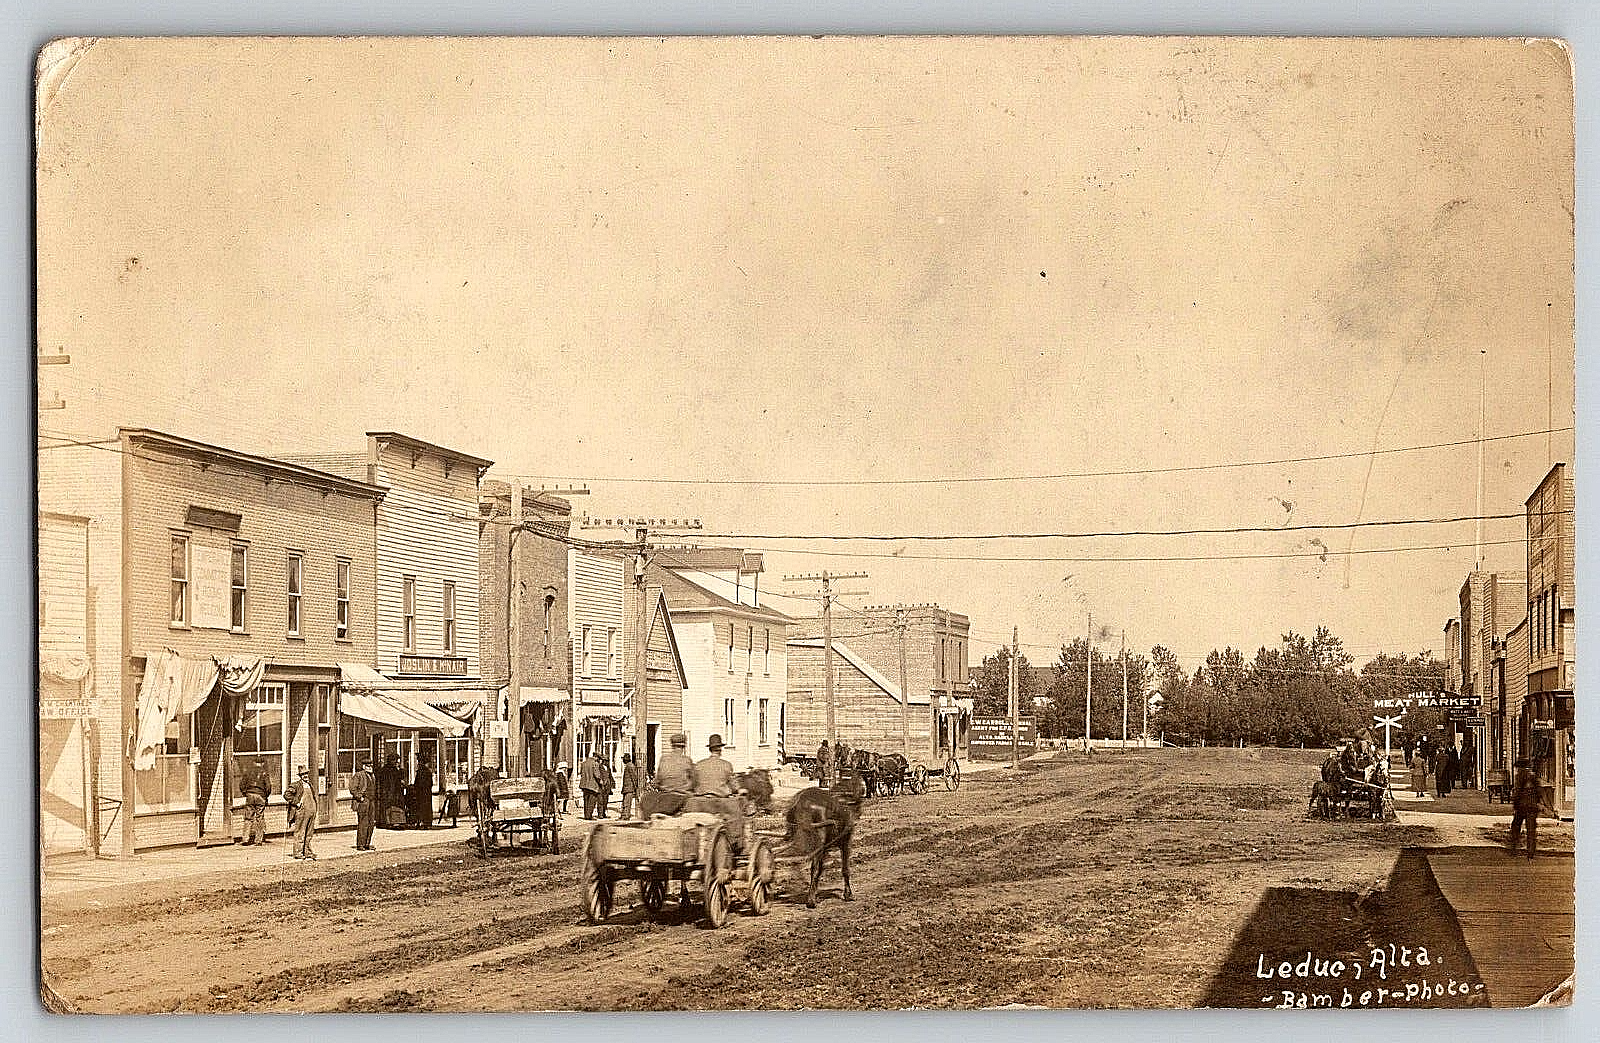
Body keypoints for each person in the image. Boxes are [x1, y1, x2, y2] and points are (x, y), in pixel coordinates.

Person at [687, 733, 745, 849]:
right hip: (719, 803)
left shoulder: (699, 765)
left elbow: (692, 784)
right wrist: (740, 790)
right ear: (720, 750)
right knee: (737, 813)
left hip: (701, 802)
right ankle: (735, 842)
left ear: (710, 749)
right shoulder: (726, 765)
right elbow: (734, 785)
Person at [1507, 758, 1543, 860]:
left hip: (1521, 806)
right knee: (1531, 830)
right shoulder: (1533, 776)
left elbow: (1517, 791)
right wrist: (1537, 802)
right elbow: (1539, 791)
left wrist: (1515, 804)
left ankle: (1513, 848)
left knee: (1516, 826)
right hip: (1532, 807)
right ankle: (1531, 852)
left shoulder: (1520, 776)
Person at [238, 756, 272, 846]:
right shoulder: (265, 773)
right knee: (259, 818)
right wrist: (265, 796)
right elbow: (268, 787)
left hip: (250, 795)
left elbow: (241, 785)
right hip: (261, 796)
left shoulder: (247, 772)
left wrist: (245, 793)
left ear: (254, 763)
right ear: (262, 763)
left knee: (248, 818)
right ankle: (258, 840)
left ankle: (245, 839)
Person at [286, 766, 318, 860]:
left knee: (309, 833)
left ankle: (307, 851)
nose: (305, 776)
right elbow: (286, 795)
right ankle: (298, 852)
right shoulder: (296, 785)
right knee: (300, 832)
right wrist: (296, 803)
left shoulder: (309, 785)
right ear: (300, 776)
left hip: (311, 812)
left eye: (306, 773)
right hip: (302, 813)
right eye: (303, 774)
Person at [350, 757, 376, 850]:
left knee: (371, 823)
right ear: (364, 766)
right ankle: (360, 844)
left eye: (371, 766)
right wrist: (360, 797)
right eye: (368, 766)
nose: (370, 767)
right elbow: (352, 788)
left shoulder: (372, 776)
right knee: (363, 823)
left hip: (371, 801)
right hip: (363, 801)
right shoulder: (358, 775)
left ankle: (367, 843)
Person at [377, 753, 405, 828]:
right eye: (395, 760)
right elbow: (393, 782)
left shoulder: (386, 769)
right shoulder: (391, 770)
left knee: (389, 807)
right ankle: (391, 822)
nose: (397, 762)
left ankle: (388, 822)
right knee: (391, 807)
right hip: (391, 792)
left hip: (389, 792)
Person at [410, 754, 435, 829]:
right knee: (426, 808)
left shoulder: (421, 772)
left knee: (420, 808)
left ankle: (421, 822)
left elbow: (417, 783)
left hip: (421, 793)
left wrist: (414, 787)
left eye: (419, 762)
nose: (418, 764)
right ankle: (426, 823)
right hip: (426, 793)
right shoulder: (427, 772)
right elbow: (430, 783)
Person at [578, 749, 603, 820]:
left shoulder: (584, 763)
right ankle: (589, 816)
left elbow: (580, 773)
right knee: (592, 801)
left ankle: (586, 815)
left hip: (584, 784)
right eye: (598, 758)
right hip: (592, 785)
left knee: (586, 800)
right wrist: (600, 781)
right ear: (596, 757)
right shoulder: (595, 764)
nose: (598, 760)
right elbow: (597, 775)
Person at [620, 753, 641, 820]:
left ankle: (626, 816)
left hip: (629, 788)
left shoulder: (630, 766)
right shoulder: (628, 766)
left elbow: (634, 777)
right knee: (624, 803)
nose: (623, 760)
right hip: (626, 788)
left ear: (627, 759)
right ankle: (623, 815)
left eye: (624, 758)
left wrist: (635, 787)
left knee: (627, 803)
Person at [596, 753, 615, 819]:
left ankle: (603, 813)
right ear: (603, 761)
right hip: (601, 786)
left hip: (607, 786)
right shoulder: (599, 767)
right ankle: (600, 814)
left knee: (605, 800)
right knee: (600, 800)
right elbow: (598, 776)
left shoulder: (608, 768)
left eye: (607, 760)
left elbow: (610, 776)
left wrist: (613, 783)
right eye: (605, 760)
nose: (606, 762)